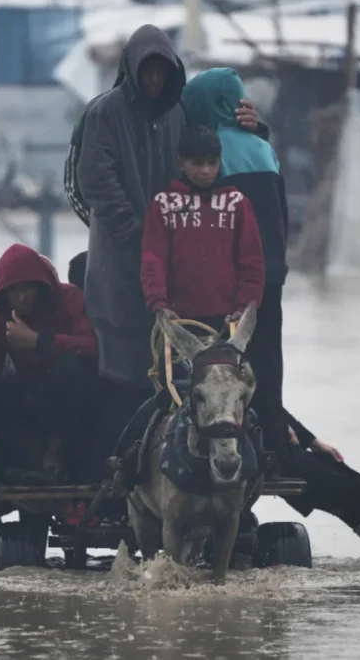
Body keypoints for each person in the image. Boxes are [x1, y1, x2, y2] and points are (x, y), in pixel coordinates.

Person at [76, 24, 265, 471]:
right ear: (132, 70)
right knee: (121, 371)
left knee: (175, 375)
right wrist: (137, 230)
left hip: (171, 269)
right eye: (148, 72)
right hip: (117, 263)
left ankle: (174, 463)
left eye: (162, 72)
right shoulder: (105, 112)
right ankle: (115, 469)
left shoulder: (178, 114)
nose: (155, 80)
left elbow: (212, 149)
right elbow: (93, 179)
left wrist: (257, 128)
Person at [181, 67, 292, 462]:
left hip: (230, 283)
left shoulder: (208, 158)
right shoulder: (264, 148)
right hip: (272, 278)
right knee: (266, 366)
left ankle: (228, 448)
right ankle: (274, 446)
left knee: (223, 368)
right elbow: (282, 216)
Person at [0, 244, 99, 504]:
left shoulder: (69, 298)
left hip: (72, 400)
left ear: (42, 286)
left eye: (28, 288)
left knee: (70, 367)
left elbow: (91, 347)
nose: (22, 297)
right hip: (30, 395)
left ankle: (55, 454)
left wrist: (40, 342)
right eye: (14, 290)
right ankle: (32, 458)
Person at [141, 124, 264, 333]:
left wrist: (244, 307)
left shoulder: (237, 203)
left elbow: (252, 262)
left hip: (227, 320)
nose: (206, 171)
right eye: (197, 164)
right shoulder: (163, 204)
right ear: (181, 163)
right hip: (176, 320)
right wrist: (159, 304)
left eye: (212, 163)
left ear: (220, 162)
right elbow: (153, 260)